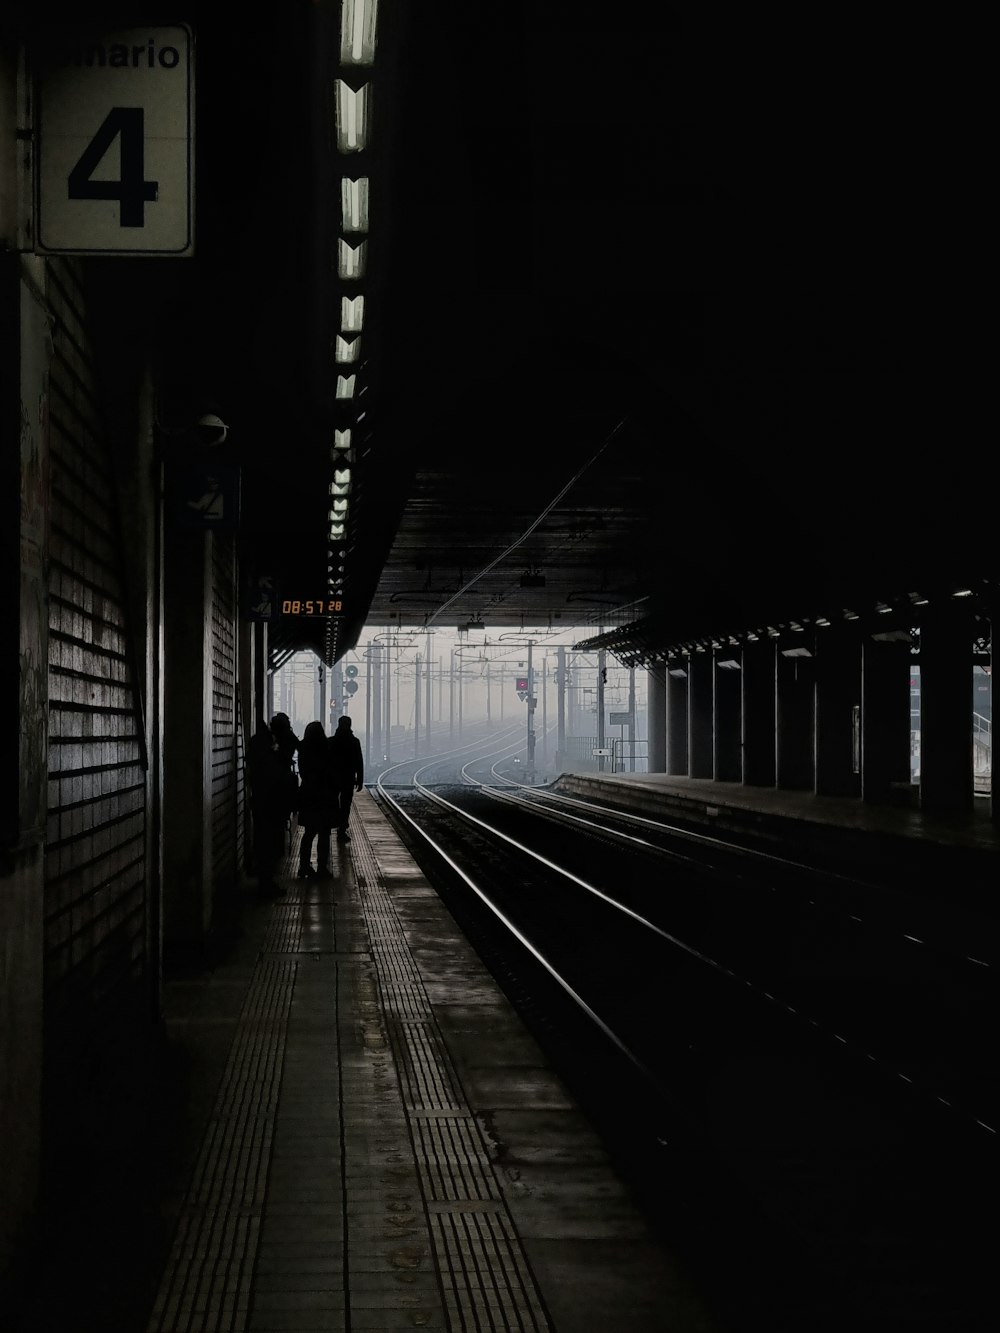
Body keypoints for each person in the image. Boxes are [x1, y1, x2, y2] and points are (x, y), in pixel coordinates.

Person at [246, 721, 288, 895]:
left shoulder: (255, 759)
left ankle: (265, 881)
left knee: (263, 843)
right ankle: (266, 883)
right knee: (269, 845)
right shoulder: (268, 759)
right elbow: (277, 781)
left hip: (261, 805)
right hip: (271, 808)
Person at [296, 720, 335, 878]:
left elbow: (303, 771)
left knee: (309, 833)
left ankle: (304, 866)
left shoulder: (303, 749)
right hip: (324, 796)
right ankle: (322, 867)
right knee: (324, 833)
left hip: (308, 795)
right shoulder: (326, 748)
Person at [328, 714, 364, 841]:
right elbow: (359, 762)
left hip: (333, 778)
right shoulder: (354, 742)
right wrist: (360, 780)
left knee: (332, 802)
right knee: (345, 805)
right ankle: (341, 829)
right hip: (348, 778)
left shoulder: (331, 741)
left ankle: (329, 826)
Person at [269, 711, 301, 825]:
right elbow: (300, 748)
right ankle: (288, 812)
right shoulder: (289, 735)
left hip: (270, 775)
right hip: (285, 772)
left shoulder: (270, 737)